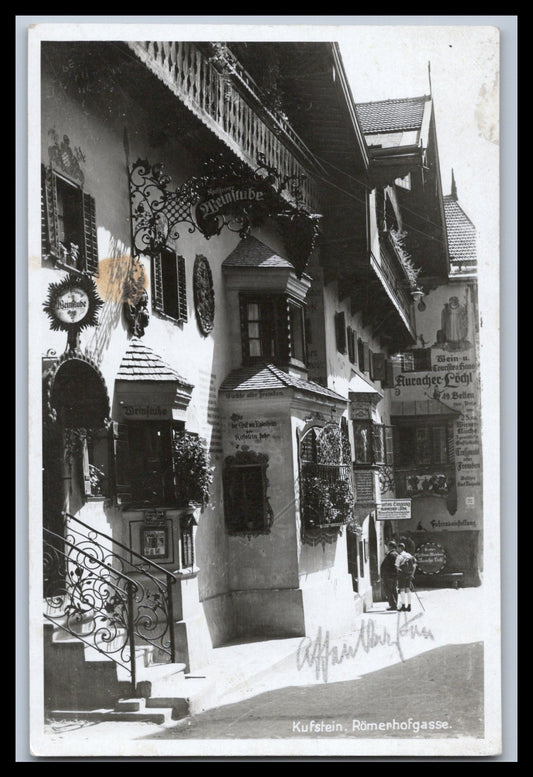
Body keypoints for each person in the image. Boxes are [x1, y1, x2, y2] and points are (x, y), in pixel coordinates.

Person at [395, 542, 417, 612]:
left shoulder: (400, 556)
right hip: (409, 575)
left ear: (400, 548)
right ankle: (409, 606)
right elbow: (414, 565)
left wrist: (399, 573)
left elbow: (397, 567)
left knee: (402, 590)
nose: (397, 549)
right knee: (408, 589)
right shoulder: (409, 555)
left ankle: (403, 606)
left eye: (397, 548)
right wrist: (412, 574)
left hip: (402, 575)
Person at [380, 541, 399, 610]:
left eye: (388, 546)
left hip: (389, 576)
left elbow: (387, 566)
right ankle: (395, 604)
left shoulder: (391, 554)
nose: (387, 547)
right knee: (394, 590)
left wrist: (383, 575)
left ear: (391, 546)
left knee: (388, 590)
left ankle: (393, 605)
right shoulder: (396, 554)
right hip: (394, 575)